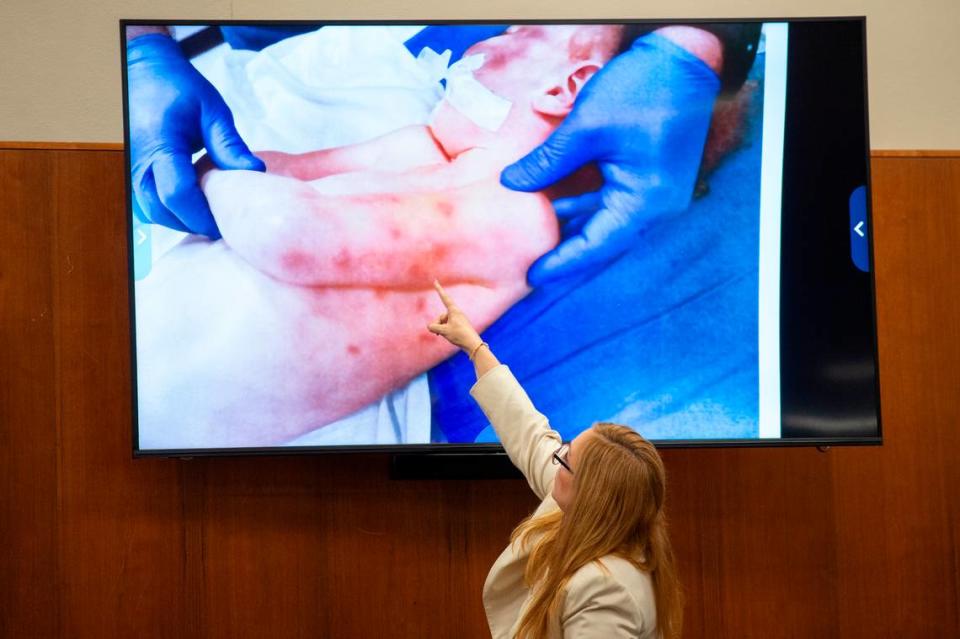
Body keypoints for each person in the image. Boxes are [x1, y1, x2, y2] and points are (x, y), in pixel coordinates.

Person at [136, 24, 629, 448]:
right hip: (160, 341)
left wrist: (213, 180)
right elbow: (272, 170)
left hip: (182, 400)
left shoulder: (519, 216)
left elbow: (290, 234)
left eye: (518, 33)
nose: (484, 41)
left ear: (568, 86)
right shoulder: (426, 149)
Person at [427, 281, 683, 639]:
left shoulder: (607, 589)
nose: (555, 456)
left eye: (565, 460)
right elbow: (527, 429)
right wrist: (473, 345)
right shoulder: (587, 513)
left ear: (592, 494)